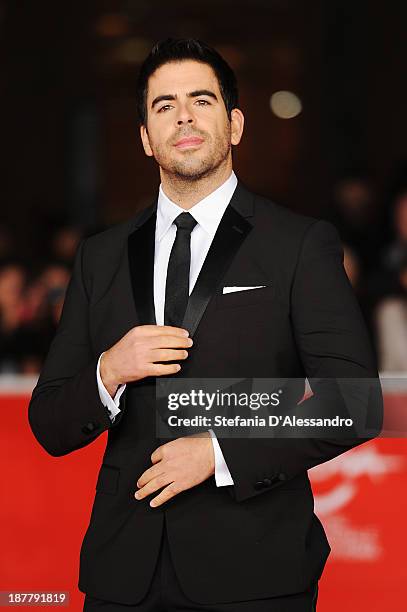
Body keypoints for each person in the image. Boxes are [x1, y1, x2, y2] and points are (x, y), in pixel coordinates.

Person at [28, 38, 383, 611]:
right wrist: (108, 371)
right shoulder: (102, 255)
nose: (184, 115)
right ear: (146, 136)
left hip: (256, 571)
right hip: (123, 574)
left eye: (202, 99)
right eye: (164, 105)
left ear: (235, 124)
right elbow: (49, 423)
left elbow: (356, 402)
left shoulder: (298, 244)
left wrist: (220, 453)